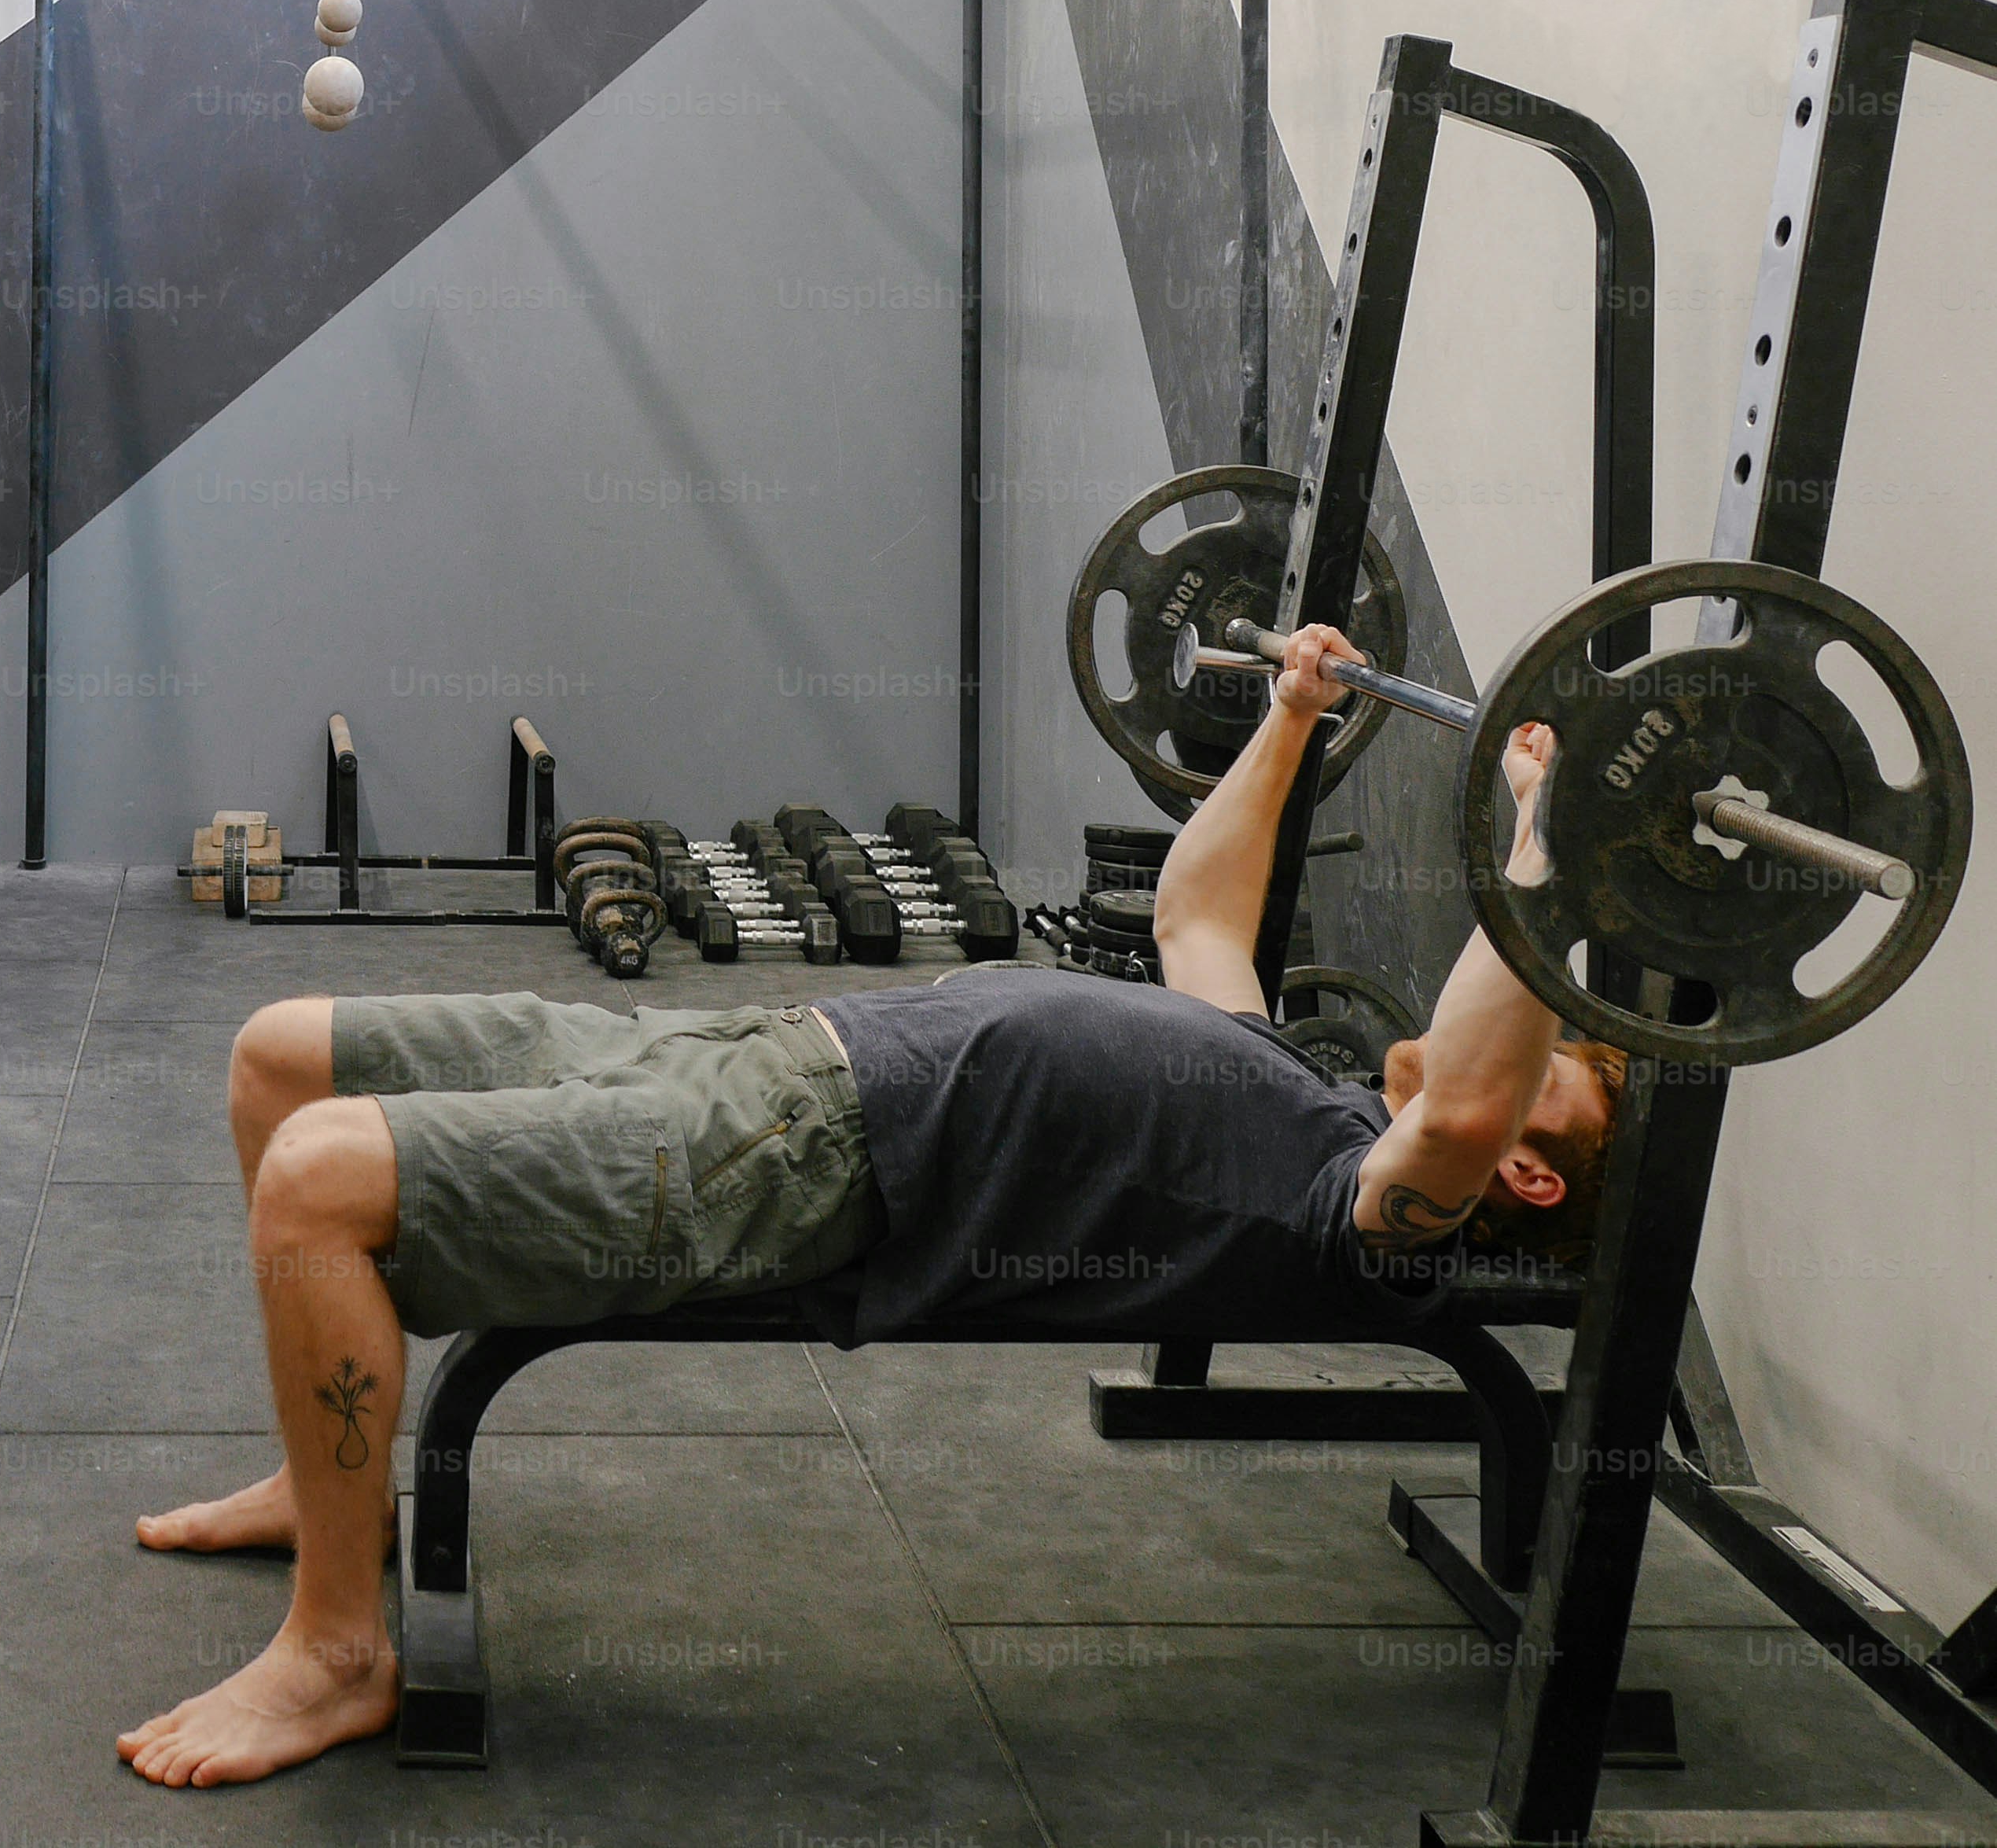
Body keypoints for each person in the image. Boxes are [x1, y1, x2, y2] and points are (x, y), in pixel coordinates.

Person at [116, 620, 1623, 1787]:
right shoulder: (1300, 1086)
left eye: (1575, 1054)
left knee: (317, 1188)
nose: (1550, 1028)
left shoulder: (1361, 1213)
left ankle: (335, 1648)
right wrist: (1295, 718)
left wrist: (1548, 848)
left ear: (1529, 1174)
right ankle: (331, 1487)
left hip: (802, 1155)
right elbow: (1199, 913)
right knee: (277, 1060)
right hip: (753, 1050)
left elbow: (1476, 1104)